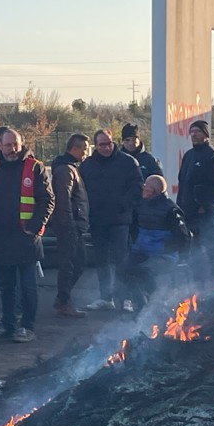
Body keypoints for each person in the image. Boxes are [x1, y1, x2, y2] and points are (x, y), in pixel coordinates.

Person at [0, 129, 54, 343]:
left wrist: (34, 226)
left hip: (25, 237)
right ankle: (8, 326)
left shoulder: (34, 167)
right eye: (8, 145)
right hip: (1, 236)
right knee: (7, 286)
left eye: (15, 145)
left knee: (27, 286)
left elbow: (47, 200)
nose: (12, 149)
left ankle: (27, 327)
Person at [79, 128, 143, 312]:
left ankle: (125, 298)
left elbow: (138, 186)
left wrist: (125, 205)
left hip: (120, 220)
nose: (106, 148)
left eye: (108, 143)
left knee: (121, 260)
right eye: (101, 145)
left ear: (113, 142)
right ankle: (105, 297)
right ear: (95, 146)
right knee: (101, 260)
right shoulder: (87, 166)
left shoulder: (128, 162)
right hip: (97, 220)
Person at [119, 175, 191, 311]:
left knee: (144, 271)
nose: (143, 189)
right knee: (123, 270)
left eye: (147, 187)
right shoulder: (141, 205)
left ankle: (154, 302)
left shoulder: (171, 210)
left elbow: (183, 238)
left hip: (163, 254)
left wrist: (163, 248)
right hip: (141, 250)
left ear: (155, 191)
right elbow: (134, 229)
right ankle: (138, 302)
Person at [176, 120, 214, 282]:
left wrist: (205, 206)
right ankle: (198, 281)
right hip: (187, 210)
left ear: (205, 134)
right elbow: (183, 183)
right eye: (192, 131)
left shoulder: (212, 156)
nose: (193, 135)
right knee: (193, 247)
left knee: (210, 246)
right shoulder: (189, 155)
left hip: (204, 213)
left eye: (197, 131)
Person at [50, 134, 90, 318]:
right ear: (74, 148)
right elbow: (63, 200)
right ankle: (64, 301)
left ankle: (63, 299)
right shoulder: (66, 170)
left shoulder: (69, 168)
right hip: (69, 226)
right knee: (71, 263)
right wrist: (69, 224)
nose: (85, 152)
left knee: (77, 262)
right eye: (83, 148)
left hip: (73, 224)